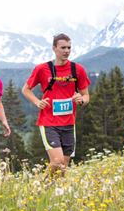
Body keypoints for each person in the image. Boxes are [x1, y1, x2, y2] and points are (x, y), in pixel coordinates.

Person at [22, 33, 90, 176]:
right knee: (57, 161)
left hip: (69, 123)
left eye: (69, 48)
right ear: (54, 48)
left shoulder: (78, 70)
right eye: (63, 47)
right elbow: (26, 89)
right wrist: (37, 102)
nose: (66, 51)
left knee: (63, 166)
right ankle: (39, 189)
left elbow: (86, 95)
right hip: (49, 122)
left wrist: (81, 100)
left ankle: (50, 192)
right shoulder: (42, 69)